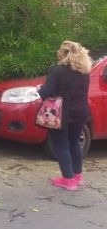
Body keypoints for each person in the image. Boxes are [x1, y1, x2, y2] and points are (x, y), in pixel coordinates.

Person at [38, 41, 92, 191]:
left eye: (59, 51)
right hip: (81, 112)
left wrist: (40, 89)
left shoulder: (58, 71)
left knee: (61, 145)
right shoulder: (85, 71)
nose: (57, 53)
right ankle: (77, 176)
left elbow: (46, 92)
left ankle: (68, 179)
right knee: (74, 143)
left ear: (64, 54)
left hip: (62, 113)